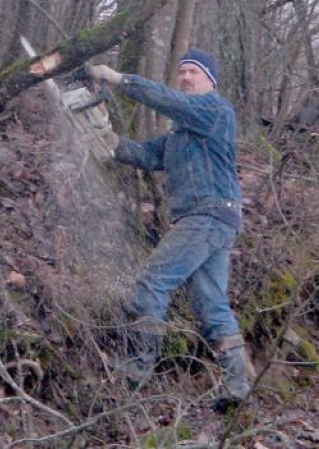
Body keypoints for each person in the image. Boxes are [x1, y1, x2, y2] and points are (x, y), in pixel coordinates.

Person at [88, 48, 254, 408]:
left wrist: (119, 79)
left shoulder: (215, 111)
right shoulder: (181, 133)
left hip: (206, 216)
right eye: (181, 72)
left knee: (153, 281)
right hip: (213, 219)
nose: (185, 77)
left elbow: (168, 101)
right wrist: (105, 136)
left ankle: (135, 372)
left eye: (193, 72)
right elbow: (146, 155)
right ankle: (238, 388)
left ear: (210, 80)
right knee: (211, 305)